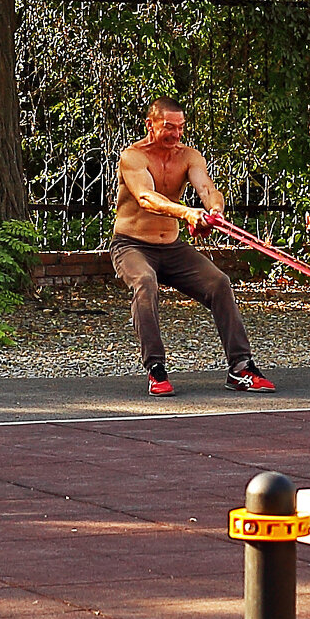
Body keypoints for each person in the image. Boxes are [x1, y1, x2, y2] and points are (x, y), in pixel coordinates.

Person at [110, 97, 275, 396]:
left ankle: (241, 368)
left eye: (181, 128)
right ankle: (156, 369)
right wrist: (186, 212)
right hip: (131, 245)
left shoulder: (188, 156)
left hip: (171, 247)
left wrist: (214, 211)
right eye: (168, 128)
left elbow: (207, 188)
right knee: (146, 282)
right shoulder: (133, 156)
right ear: (150, 124)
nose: (176, 134)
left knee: (219, 283)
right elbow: (146, 197)